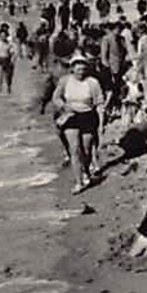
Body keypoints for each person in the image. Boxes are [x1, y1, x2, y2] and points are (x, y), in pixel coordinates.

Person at [51, 54, 106, 194]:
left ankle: (86, 171)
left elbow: (99, 103)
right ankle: (79, 181)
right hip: (71, 116)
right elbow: (55, 98)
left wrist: (101, 123)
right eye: (78, 69)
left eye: (83, 69)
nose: (81, 72)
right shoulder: (65, 81)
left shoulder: (93, 82)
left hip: (88, 116)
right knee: (74, 149)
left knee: (86, 150)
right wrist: (63, 106)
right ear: (72, 69)